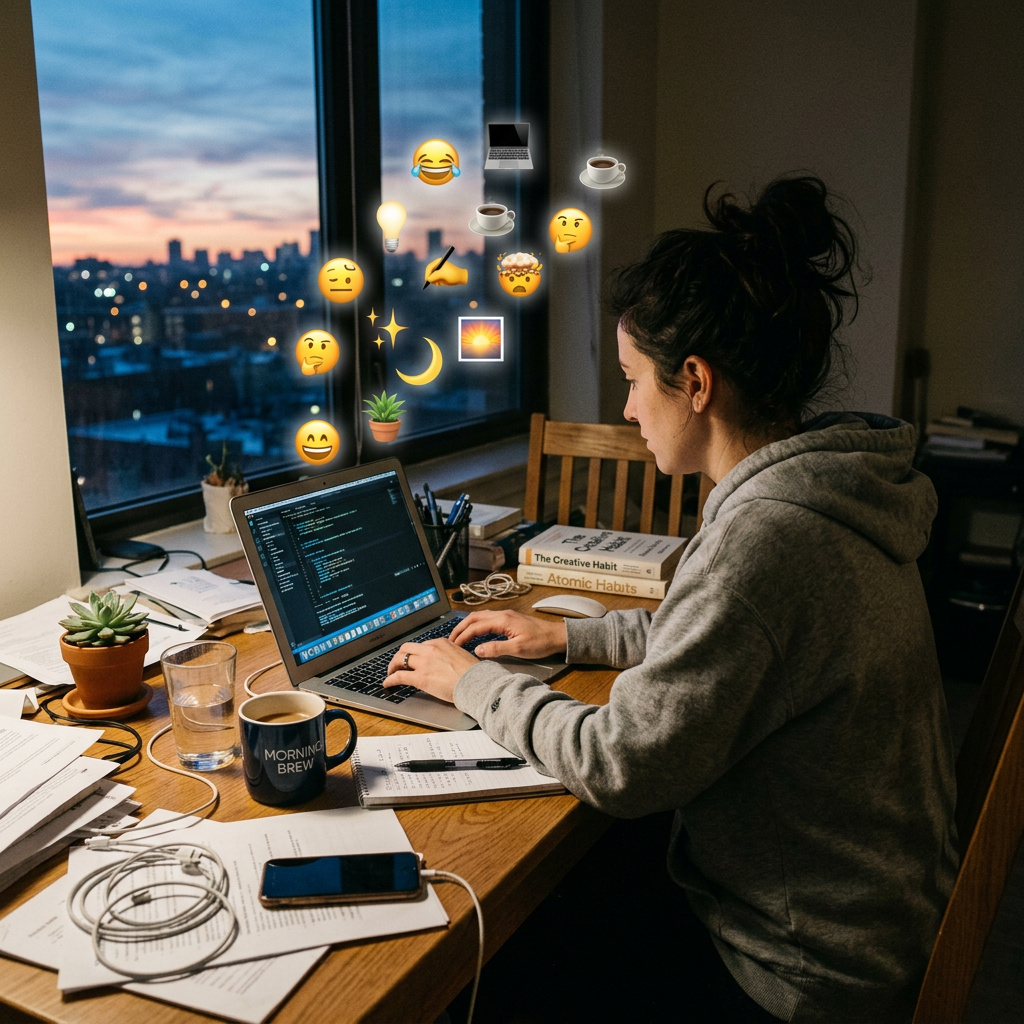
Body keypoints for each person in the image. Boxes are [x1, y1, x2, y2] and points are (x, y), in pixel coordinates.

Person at [386, 176, 957, 1023]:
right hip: (871, 910)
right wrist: (568, 639)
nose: (625, 408)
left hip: (801, 971)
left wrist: (467, 682)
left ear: (693, 380)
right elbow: (730, 636)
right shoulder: (829, 488)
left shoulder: (768, 540)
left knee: (489, 955)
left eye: (630, 379)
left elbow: (619, 763)